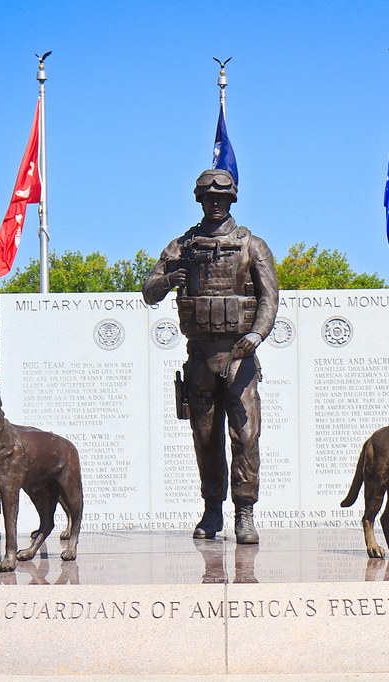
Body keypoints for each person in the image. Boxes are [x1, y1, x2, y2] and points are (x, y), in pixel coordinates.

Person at [143, 168, 279, 544]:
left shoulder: (253, 245)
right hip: (200, 357)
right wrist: (170, 279)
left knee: (246, 436)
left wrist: (256, 334)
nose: (215, 204)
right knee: (205, 438)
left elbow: (270, 299)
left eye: (222, 198)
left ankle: (245, 513)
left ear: (231, 200)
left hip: (239, 357)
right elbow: (149, 291)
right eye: (209, 198)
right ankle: (212, 509)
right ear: (200, 201)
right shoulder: (182, 247)